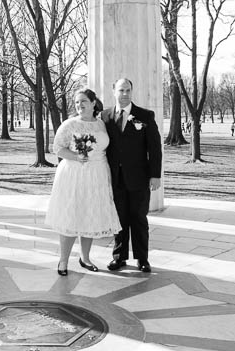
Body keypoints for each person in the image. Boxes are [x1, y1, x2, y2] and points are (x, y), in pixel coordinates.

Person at [45, 89, 120, 276]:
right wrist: (77, 156)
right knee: (72, 215)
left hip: (98, 174)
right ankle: (63, 260)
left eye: (84, 101)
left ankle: (85, 258)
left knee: (90, 215)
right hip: (74, 175)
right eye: (77, 103)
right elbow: (58, 148)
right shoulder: (70, 124)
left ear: (94, 102)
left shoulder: (102, 124)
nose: (80, 106)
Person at [102, 78, 162, 273]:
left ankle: (142, 259)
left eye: (128, 90)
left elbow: (154, 148)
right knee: (119, 219)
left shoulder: (145, 116)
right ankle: (118, 257)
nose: (125, 94)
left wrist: (155, 175)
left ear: (132, 92)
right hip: (114, 178)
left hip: (139, 178)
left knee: (138, 218)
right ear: (114, 91)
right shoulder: (105, 116)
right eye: (121, 90)